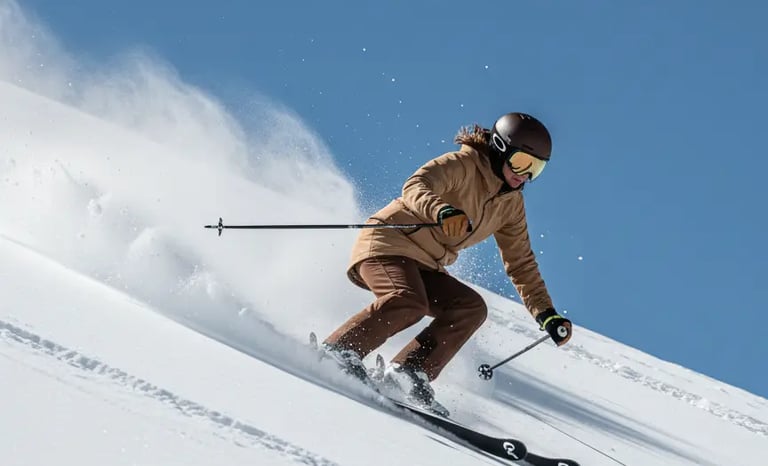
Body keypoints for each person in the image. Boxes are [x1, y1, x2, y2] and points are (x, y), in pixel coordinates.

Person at [322, 112, 572, 413]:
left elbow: (520, 262)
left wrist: (546, 313)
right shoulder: (463, 165)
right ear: (500, 147)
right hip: (387, 244)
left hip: (426, 264)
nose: (525, 176)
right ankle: (340, 350)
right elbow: (416, 186)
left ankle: (408, 372)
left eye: (537, 169)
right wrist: (441, 211)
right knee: (408, 301)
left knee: (470, 307)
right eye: (521, 163)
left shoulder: (511, 205)